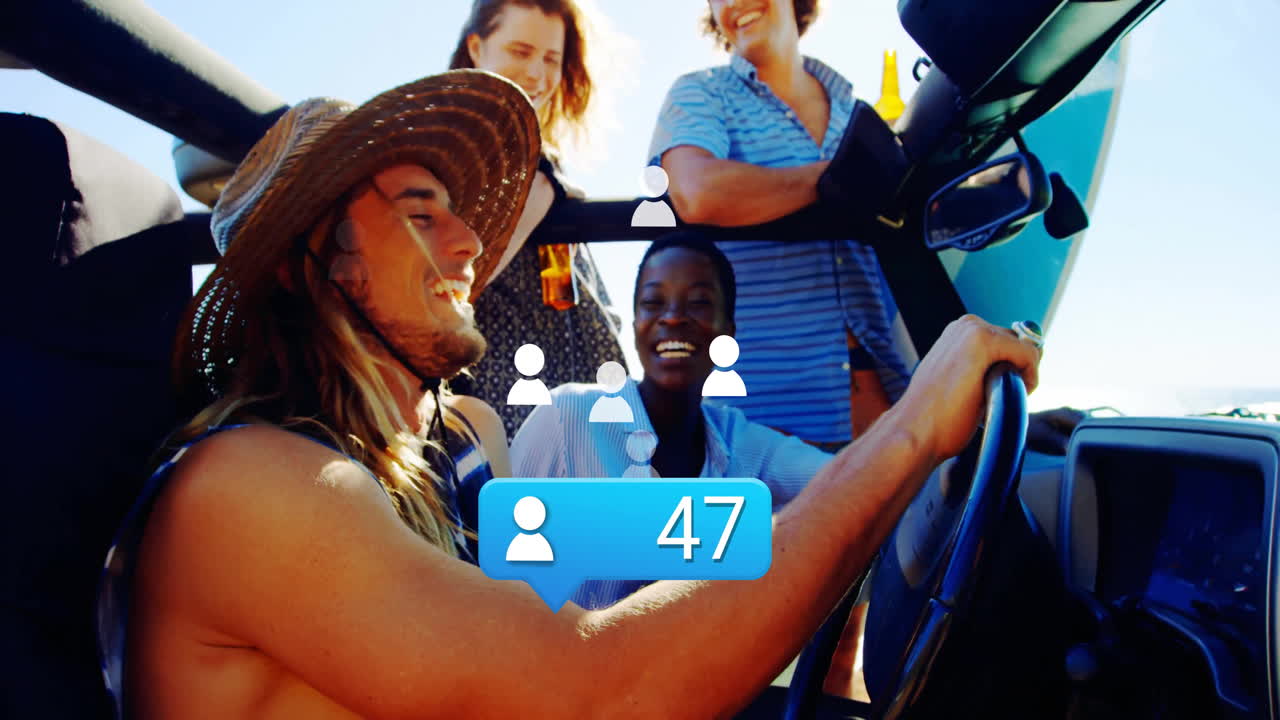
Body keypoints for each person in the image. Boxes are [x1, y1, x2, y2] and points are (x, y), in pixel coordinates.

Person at [100, 69, 1043, 720]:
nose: (470, 242)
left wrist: (936, 464)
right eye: (419, 212)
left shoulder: (444, 467)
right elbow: (601, 686)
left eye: (698, 304)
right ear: (316, 264)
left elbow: (725, 529)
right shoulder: (256, 489)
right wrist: (914, 427)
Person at [506, 231, 835, 608]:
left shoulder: (741, 443)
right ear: (635, 326)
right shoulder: (565, 417)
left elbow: (847, 481)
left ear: (728, 333)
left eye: (698, 302)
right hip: (557, 659)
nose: (674, 317)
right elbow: (503, 564)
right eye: (653, 302)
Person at [650, 0, 913, 449]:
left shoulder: (856, 110)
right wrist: (842, 177)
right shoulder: (701, 93)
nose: (732, 3)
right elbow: (696, 192)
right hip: (766, 427)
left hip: (890, 406)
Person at [448, 0, 626, 439]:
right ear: (476, 47)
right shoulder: (451, 164)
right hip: (497, 414)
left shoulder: (543, 169)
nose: (537, 75)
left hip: (574, 413)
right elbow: (457, 285)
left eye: (551, 59)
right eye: (520, 51)